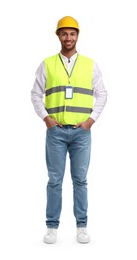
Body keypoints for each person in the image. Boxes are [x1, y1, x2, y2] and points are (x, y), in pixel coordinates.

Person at [31, 16, 107, 244]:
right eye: (64, 34)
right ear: (58, 36)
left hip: (81, 133)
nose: (68, 38)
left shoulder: (90, 64)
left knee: (80, 180)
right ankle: (52, 227)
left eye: (72, 34)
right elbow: (35, 94)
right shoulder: (47, 64)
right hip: (55, 132)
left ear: (78, 36)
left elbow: (102, 93)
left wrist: (91, 120)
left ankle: (81, 226)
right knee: (54, 180)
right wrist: (46, 118)